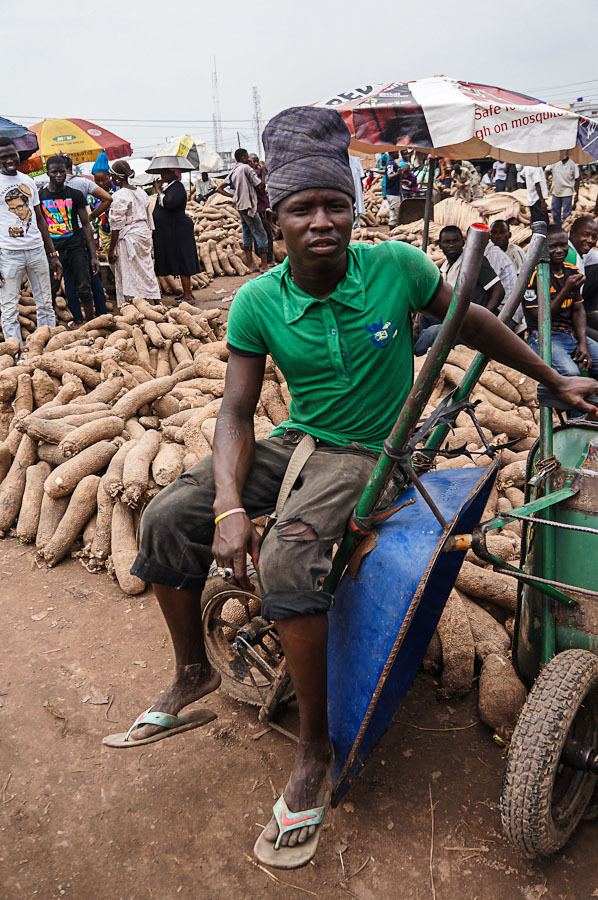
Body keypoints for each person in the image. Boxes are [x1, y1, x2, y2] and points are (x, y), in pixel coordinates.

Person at [103, 106, 597, 872]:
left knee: (290, 560)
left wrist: (554, 376)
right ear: (276, 218)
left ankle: (315, 750)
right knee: (169, 515)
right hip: (301, 440)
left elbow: (468, 323)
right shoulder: (256, 299)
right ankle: (192, 669)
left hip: (375, 451)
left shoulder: (395, 271)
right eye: (304, 207)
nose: (323, 221)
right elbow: (235, 412)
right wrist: (230, 506)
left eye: (337, 203)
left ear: (353, 208)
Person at [523, 225, 598, 413]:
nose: (559, 251)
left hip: (570, 335)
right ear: (542, 249)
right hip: (543, 337)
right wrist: (565, 290)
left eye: (563, 245)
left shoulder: (571, 270)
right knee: (570, 373)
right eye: (552, 246)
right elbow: (541, 318)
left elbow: (578, 310)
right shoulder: (533, 276)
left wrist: (582, 344)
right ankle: (576, 421)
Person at [0, 137, 60, 345]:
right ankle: (15, 354)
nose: (9, 160)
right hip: (8, 254)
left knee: (46, 304)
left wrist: (52, 253)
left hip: (36, 251)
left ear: (18, 155)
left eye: (12, 155)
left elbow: (40, 219)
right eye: (3, 157)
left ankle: (47, 350)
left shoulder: (28, 181)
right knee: (9, 308)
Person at [416, 225, 505, 354]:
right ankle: (429, 349)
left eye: (455, 241)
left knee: (431, 333)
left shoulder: (473, 262)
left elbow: (499, 290)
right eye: (447, 242)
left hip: (472, 322)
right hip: (456, 316)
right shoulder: (445, 267)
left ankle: (418, 358)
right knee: (424, 317)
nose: (451, 245)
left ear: (463, 243)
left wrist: (484, 317)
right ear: (440, 245)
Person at [38, 155, 99, 324]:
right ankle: (47, 328)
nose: (59, 175)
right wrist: (50, 253)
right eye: (54, 172)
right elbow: (40, 225)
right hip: (52, 250)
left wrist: (93, 255)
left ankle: (90, 323)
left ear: (67, 172)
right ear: (48, 173)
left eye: (62, 171)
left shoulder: (75, 194)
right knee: (50, 290)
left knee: (84, 289)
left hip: (75, 248)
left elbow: (86, 224)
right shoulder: (40, 196)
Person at [61, 154, 111, 321]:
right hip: (83, 233)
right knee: (92, 272)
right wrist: (91, 217)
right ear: (71, 167)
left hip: (63, 236)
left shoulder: (50, 187)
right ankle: (102, 313)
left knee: (69, 278)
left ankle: (78, 319)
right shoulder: (82, 183)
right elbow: (107, 198)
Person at [108, 161, 161, 307]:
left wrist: (111, 249)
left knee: (130, 273)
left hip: (129, 238)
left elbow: (116, 225)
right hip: (143, 234)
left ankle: (134, 305)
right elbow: (147, 215)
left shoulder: (119, 196)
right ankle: (154, 300)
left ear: (117, 178)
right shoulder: (141, 192)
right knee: (146, 269)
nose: (111, 178)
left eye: (112, 176)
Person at [152, 169, 200, 303]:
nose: (162, 175)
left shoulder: (177, 187)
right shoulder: (171, 187)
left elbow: (168, 203)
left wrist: (159, 191)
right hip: (172, 230)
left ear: (173, 173)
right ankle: (186, 292)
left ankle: (188, 295)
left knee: (183, 260)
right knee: (178, 260)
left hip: (179, 230)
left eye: (165, 173)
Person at [217, 149, 268, 272]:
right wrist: (263, 174)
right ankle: (264, 265)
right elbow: (259, 186)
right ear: (244, 157)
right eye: (247, 157)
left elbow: (220, 188)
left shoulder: (234, 170)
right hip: (249, 206)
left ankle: (250, 265)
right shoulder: (246, 168)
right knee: (260, 233)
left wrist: (234, 197)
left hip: (240, 206)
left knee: (246, 233)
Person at [566, 216, 598, 332]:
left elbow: (595, 258)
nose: (590, 240)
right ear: (572, 233)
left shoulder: (579, 248)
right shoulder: (571, 257)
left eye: (594, 237)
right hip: (568, 314)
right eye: (585, 235)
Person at [249, 154, 274, 263]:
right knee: (266, 234)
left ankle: (265, 258)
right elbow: (260, 187)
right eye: (254, 161)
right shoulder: (253, 175)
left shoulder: (254, 173)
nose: (256, 164)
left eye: (257, 161)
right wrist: (263, 174)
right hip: (259, 207)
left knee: (260, 234)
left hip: (262, 206)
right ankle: (268, 260)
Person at [546, 156, 580, 226]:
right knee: (555, 210)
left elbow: (577, 178)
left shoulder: (572, 164)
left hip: (567, 191)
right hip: (556, 190)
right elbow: (546, 170)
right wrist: (547, 181)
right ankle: (557, 226)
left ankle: (565, 227)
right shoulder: (555, 161)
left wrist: (577, 193)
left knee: (566, 213)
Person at [385, 152, 403, 227]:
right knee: (395, 216)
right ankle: (392, 233)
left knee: (393, 215)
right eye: (397, 152)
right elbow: (389, 176)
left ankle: (391, 234)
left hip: (392, 192)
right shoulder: (391, 164)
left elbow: (386, 172)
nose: (398, 154)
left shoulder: (391, 163)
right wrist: (398, 173)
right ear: (392, 153)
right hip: (393, 193)